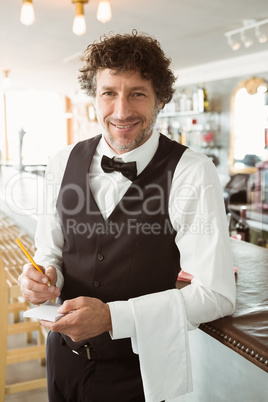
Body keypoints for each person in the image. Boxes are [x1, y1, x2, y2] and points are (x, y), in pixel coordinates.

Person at [19, 30, 236, 402]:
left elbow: (216, 294)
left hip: (138, 374)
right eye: (109, 93)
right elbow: (48, 251)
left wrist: (111, 318)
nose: (121, 111)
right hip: (61, 361)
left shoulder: (192, 171)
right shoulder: (61, 161)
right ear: (94, 97)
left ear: (161, 99)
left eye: (137, 93)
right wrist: (40, 275)